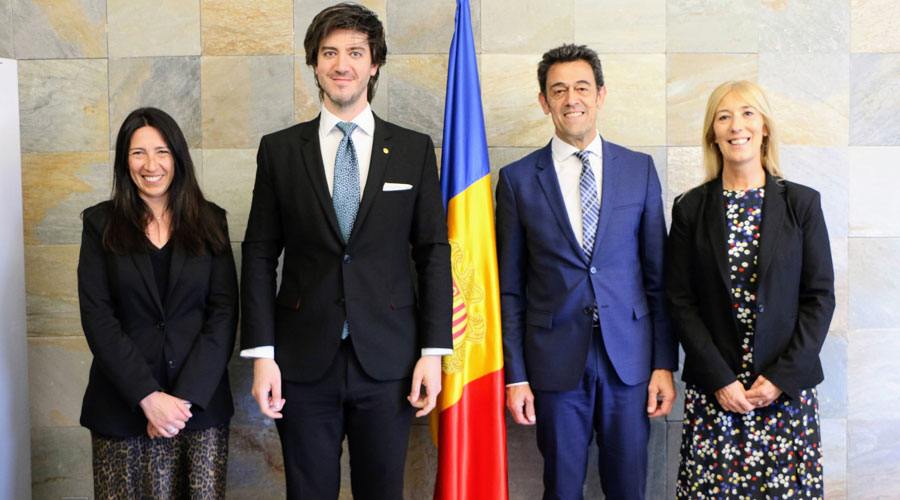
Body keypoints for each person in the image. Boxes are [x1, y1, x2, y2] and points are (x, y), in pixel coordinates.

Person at [239, 3, 452, 499]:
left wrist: (432, 352)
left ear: (374, 63)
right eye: (330, 52)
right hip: (301, 360)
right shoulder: (279, 150)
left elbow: (433, 253)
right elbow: (258, 254)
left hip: (390, 358)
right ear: (314, 62)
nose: (342, 64)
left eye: (355, 52)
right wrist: (262, 355)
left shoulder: (413, 149)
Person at [496, 44, 677, 500]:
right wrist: (515, 375)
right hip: (554, 364)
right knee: (561, 488)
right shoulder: (517, 180)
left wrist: (662, 364)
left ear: (600, 95)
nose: (571, 98)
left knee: (629, 488)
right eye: (558, 90)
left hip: (630, 362)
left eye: (581, 87)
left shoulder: (639, 170)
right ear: (544, 101)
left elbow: (659, 279)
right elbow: (511, 289)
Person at [667, 80, 834, 499]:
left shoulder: (802, 204)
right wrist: (720, 379)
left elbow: (819, 297)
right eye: (723, 116)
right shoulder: (690, 208)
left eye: (747, 113)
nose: (735, 125)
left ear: (764, 128)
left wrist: (780, 377)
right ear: (713, 133)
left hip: (783, 395)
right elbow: (680, 301)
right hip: (717, 396)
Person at [77, 107, 238, 499]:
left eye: (162, 151)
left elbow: (223, 314)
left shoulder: (211, 222)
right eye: (138, 153)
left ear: (177, 158)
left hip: (197, 410)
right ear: (124, 161)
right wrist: (148, 398)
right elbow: (98, 318)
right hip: (123, 407)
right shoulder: (100, 224)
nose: (151, 164)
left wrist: (178, 404)